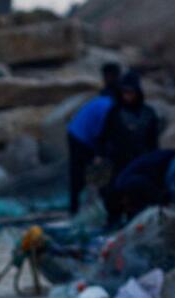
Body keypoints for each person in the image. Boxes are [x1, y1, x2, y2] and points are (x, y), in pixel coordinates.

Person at [99, 70, 161, 225]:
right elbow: (105, 136)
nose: (128, 96)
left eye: (131, 92)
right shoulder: (115, 112)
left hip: (140, 163)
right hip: (118, 162)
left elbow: (153, 141)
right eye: (124, 92)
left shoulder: (148, 114)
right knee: (114, 197)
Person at [66, 63, 122, 215]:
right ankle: (80, 207)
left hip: (77, 130)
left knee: (87, 171)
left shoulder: (106, 99)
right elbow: (100, 134)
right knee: (84, 172)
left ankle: (82, 205)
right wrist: (99, 154)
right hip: (80, 136)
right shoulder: (108, 106)